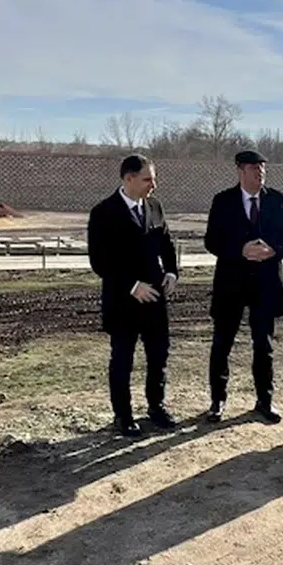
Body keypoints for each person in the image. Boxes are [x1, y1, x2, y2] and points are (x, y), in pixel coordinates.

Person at [203, 148, 283, 424]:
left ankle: (265, 401)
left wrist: (274, 250)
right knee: (222, 344)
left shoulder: (277, 200)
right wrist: (240, 250)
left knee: (264, 346)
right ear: (240, 171)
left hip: (265, 284)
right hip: (231, 284)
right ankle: (217, 401)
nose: (260, 173)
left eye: (263, 169)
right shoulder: (223, 201)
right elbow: (212, 241)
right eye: (254, 169)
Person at [87, 154, 179, 437]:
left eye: (154, 179)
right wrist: (132, 285)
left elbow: (166, 243)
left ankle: (156, 407)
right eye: (147, 179)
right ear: (128, 178)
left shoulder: (154, 206)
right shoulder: (103, 212)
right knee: (122, 359)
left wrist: (172, 272)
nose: (154, 185)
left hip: (155, 299)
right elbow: (99, 261)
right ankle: (123, 415)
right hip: (123, 301)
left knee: (158, 355)